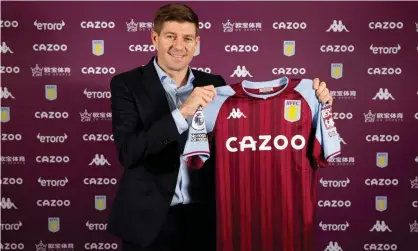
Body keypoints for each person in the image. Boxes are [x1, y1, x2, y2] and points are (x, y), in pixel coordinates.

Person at [107, 3, 333, 251]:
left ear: (196, 43)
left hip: (206, 218)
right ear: (155, 38)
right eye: (170, 36)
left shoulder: (215, 84)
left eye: (187, 38)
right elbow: (130, 151)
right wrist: (183, 111)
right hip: (148, 222)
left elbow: (252, 129)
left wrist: (316, 99)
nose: (179, 46)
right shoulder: (126, 84)